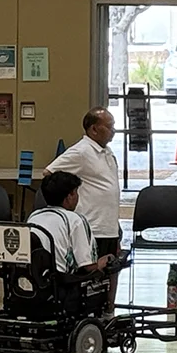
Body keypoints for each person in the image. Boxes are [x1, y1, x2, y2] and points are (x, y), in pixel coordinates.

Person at [44, 108, 122, 306]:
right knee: (93, 276)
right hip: (92, 225)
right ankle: (90, 314)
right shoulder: (81, 151)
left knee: (112, 269)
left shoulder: (106, 152)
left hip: (108, 225)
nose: (114, 130)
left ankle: (108, 312)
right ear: (94, 129)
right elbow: (50, 172)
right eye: (110, 126)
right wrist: (70, 202)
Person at [28, 171, 115, 283]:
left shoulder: (33, 217)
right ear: (69, 197)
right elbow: (88, 268)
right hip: (61, 285)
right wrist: (106, 261)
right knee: (110, 264)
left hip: (35, 282)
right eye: (76, 192)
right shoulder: (75, 220)